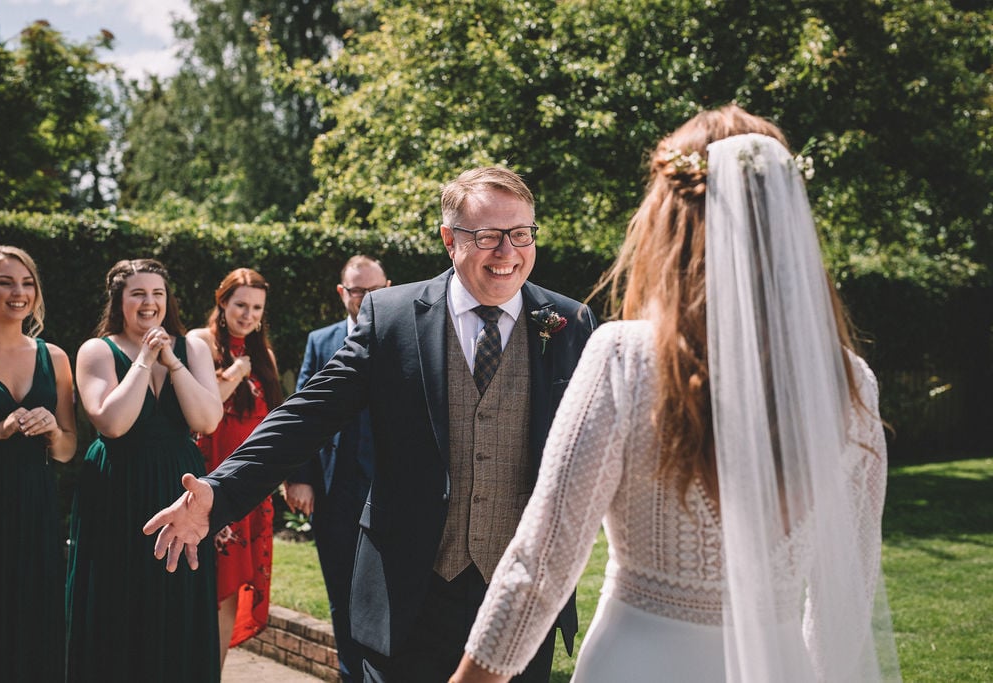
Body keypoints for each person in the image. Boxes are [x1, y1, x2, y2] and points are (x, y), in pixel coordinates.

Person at [450, 105, 901, 682]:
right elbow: (848, 596)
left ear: (670, 220)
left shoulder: (626, 359)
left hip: (639, 664)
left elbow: (541, 564)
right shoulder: (848, 382)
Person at [145, 166, 598, 683]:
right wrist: (218, 489)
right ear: (450, 240)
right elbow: (307, 414)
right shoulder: (393, 316)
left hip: (520, 592)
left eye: (521, 234)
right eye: (488, 236)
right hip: (411, 588)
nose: (508, 252)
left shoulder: (568, 324)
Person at [66, 258, 223, 682]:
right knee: (117, 595)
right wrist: (143, 360)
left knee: (178, 595)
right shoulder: (98, 350)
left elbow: (206, 420)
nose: (149, 302)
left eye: (157, 293)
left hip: (179, 484)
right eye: (137, 293)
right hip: (118, 485)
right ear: (120, 300)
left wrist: (171, 362)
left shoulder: (193, 348)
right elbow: (112, 423)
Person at [0, 246, 77, 683]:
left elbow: (69, 450)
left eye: (27, 282)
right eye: (5, 282)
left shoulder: (55, 358)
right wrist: (0, 429)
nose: (19, 292)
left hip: (34, 511)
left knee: (34, 623)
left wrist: (52, 430)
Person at [284, 254, 391, 683]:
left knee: (388, 595)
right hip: (333, 491)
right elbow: (302, 413)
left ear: (389, 287)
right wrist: (300, 477)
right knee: (341, 596)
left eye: (374, 289)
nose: (365, 298)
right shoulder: (321, 341)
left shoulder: (406, 336)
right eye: (356, 290)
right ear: (341, 292)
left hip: (389, 489)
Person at [189, 267, 284, 669]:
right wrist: (236, 372)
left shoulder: (264, 355)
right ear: (222, 301)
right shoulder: (198, 343)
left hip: (249, 491)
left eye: (256, 308)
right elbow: (203, 415)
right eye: (240, 304)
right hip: (207, 484)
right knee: (198, 587)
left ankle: (215, 673)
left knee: (230, 589)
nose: (248, 315)